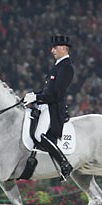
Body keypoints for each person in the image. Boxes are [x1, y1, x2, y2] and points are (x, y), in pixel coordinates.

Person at [24, 35, 74, 180]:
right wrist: (34, 95)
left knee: (39, 134)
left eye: (55, 47)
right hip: (45, 105)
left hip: (53, 108)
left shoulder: (66, 68)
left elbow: (57, 94)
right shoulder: (57, 66)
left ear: (64, 48)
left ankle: (64, 164)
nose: (52, 50)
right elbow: (47, 91)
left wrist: (37, 98)